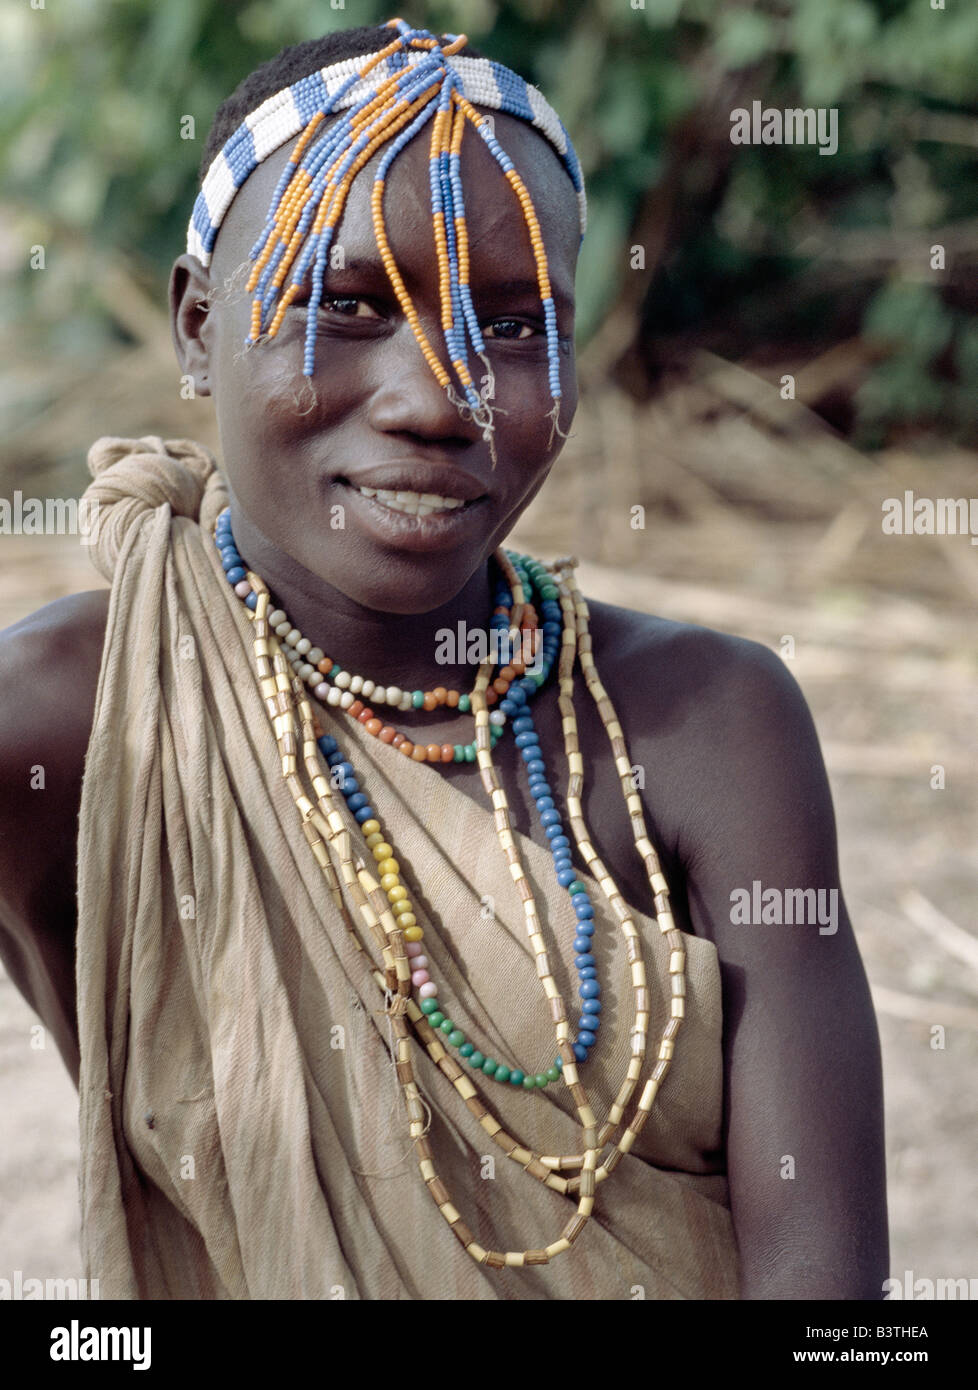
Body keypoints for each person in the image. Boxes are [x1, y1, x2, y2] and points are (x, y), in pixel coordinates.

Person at [0, 19, 888, 1300]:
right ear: (200, 329)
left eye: (520, 325)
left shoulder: (714, 729)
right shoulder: (73, 722)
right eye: (348, 305)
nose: (438, 399)